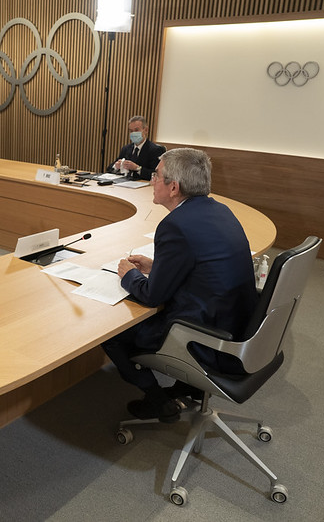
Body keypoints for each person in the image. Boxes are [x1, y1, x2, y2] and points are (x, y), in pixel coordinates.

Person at [101, 147, 258, 422]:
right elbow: (201, 265)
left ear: (173, 187)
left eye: (157, 175)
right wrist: (155, 266)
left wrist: (128, 274)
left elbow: (152, 295)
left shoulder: (176, 225)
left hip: (205, 336)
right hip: (238, 326)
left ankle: (157, 400)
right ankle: (190, 386)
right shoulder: (221, 211)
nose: (151, 179)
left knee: (112, 333)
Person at [108, 115, 166, 180]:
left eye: (136, 130)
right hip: (124, 184)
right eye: (131, 131)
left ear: (146, 130)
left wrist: (137, 168)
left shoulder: (155, 150)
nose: (133, 133)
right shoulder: (126, 148)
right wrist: (116, 166)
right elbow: (109, 169)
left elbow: (157, 174)